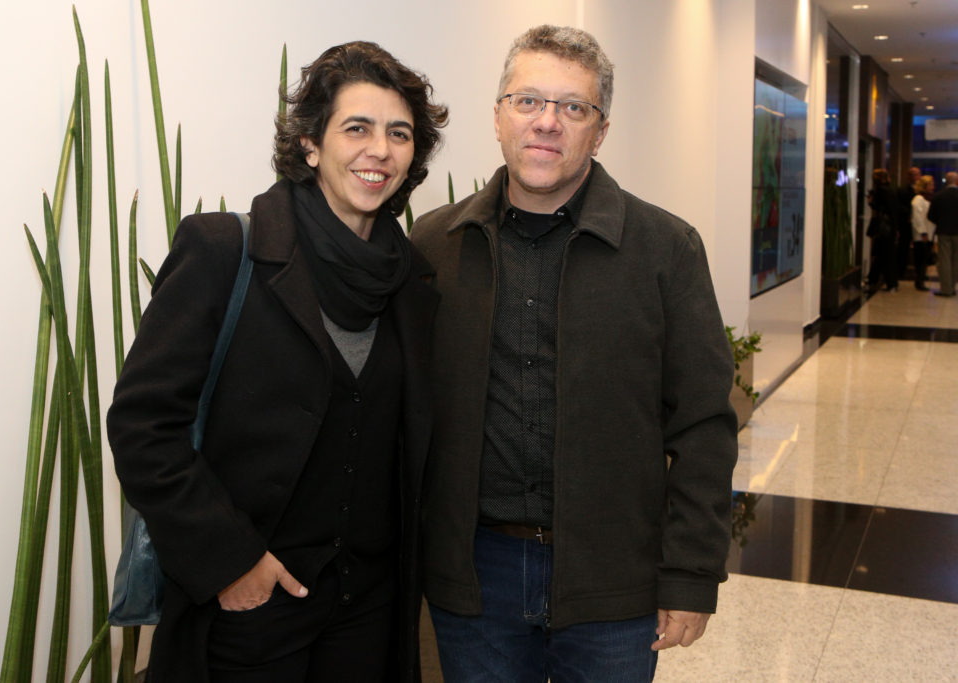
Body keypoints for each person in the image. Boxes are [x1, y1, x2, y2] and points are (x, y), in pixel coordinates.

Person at [107, 41, 447, 682]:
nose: (379, 149)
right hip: (249, 608)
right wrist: (230, 562)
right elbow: (142, 426)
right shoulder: (221, 252)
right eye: (357, 128)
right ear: (311, 145)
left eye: (399, 133)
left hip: (368, 613)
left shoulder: (413, 285)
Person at [410, 25, 737, 682]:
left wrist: (692, 574)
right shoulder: (434, 246)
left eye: (573, 108)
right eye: (528, 101)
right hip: (476, 576)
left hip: (613, 577)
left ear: (600, 130)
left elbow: (704, 422)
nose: (547, 123)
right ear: (498, 115)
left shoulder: (665, 250)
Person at [864, 168, 900, 293]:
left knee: (883, 255)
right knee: (883, 254)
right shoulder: (890, 191)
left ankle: (888, 282)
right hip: (889, 227)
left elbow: (880, 208)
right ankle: (877, 280)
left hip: (884, 228)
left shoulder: (880, 191)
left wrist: (871, 202)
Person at [928, 171, 958, 297]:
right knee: (956, 260)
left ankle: (946, 288)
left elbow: (931, 215)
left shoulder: (939, 196)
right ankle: (952, 286)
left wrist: (940, 222)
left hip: (944, 231)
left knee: (944, 259)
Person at [911, 174, 936, 291]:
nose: (933, 187)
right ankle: (919, 281)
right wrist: (923, 233)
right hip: (922, 235)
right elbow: (917, 218)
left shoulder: (928, 198)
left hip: (928, 234)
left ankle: (921, 279)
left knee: (924, 259)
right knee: (920, 259)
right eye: (930, 184)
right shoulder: (918, 199)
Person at [896, 166, 920, 285]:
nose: (917, 177)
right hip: (906, 224)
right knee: (903, 248)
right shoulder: (903, 190)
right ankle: (901, 271)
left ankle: (919, 272)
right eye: (915, 175)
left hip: (918, 225)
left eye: (918, 174)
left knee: (919, 249)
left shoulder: (920, 191)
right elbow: (899, 207)